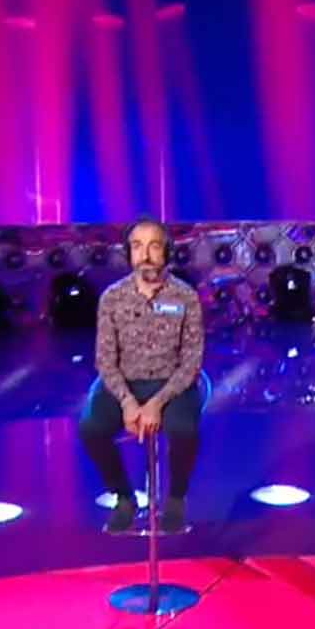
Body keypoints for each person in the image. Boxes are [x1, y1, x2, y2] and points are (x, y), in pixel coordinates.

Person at [79, 217, 205, 534]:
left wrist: (156, 404)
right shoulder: (112, 298)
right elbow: (105, 359)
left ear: (167, 251)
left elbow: (191, 360)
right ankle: (124, 498)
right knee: (91, 429)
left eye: (154, 246)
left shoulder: (186, 297)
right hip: (124, 383)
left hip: (171, 384)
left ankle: (176, 499)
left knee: (184, 430)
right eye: (137, 246)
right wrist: (127, 402)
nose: (145, 255)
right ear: (128, 252)